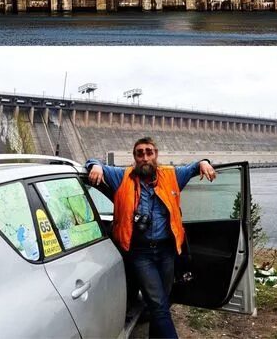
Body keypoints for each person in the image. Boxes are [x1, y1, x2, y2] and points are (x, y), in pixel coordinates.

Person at [86, 138, 217, 339]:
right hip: (140, 253)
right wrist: (95, 165)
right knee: (157, 303)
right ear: (134, 157)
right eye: (140, 153)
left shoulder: (172, 175)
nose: (145, 157)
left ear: (156, 154)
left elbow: (194, 167)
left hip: (167, 251)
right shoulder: (122, 177)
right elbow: (92, 162)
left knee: (161, 303)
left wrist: (204, 162)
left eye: (149, 152)